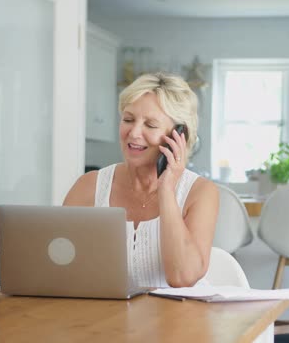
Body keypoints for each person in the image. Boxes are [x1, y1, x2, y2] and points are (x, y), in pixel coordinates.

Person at [63, 72, 219, 288]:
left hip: (180, 318)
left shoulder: (201, 192)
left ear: (178, 136)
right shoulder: (88, 187)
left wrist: (166, 190)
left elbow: (182, 278)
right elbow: (59, 269)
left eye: (151, 125)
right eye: (128, 119)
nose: (134, 133)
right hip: (106, 318)